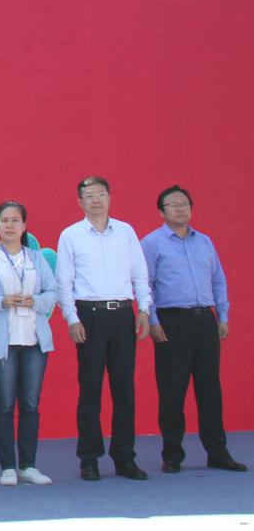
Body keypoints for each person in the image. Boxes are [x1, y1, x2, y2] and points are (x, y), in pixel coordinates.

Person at [142, 185, 245, 474]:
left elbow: (218, 280)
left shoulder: (205, 242)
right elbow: (144, 285)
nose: (180, 209)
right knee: (172, 391)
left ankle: (218, 452)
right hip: (171, 322)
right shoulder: (151, 243)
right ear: (161, 211)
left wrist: (222, 316)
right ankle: (172, 455)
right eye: (173, 205)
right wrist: (153, 321)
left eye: (184, 204)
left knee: (210, 389)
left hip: (205, 320)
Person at [55, 176, 152, 481]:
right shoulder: (71, 235)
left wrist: (144, 309)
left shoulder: (125, 232)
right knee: (90, 389)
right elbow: (64, 282)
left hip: (123, 315)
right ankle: (89, 458)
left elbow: (139, 273)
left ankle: (125, 457)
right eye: (89, 195)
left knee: (124, 390)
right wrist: (72, 318)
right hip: (90, 316)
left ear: (109, 198)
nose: (95, 199)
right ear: (80, 202)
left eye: (101, 194)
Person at [0, 201, 58, 487]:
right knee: (5, 405)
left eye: (15, 220)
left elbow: (52, 292)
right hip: (2, 343)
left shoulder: (36, 259)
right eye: (4, 220)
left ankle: (28, 465)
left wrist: (36, 301)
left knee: (30, 404)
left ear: (24, 226)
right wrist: (1, 301)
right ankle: (8, 466)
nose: (10, 225)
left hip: (34, 340)